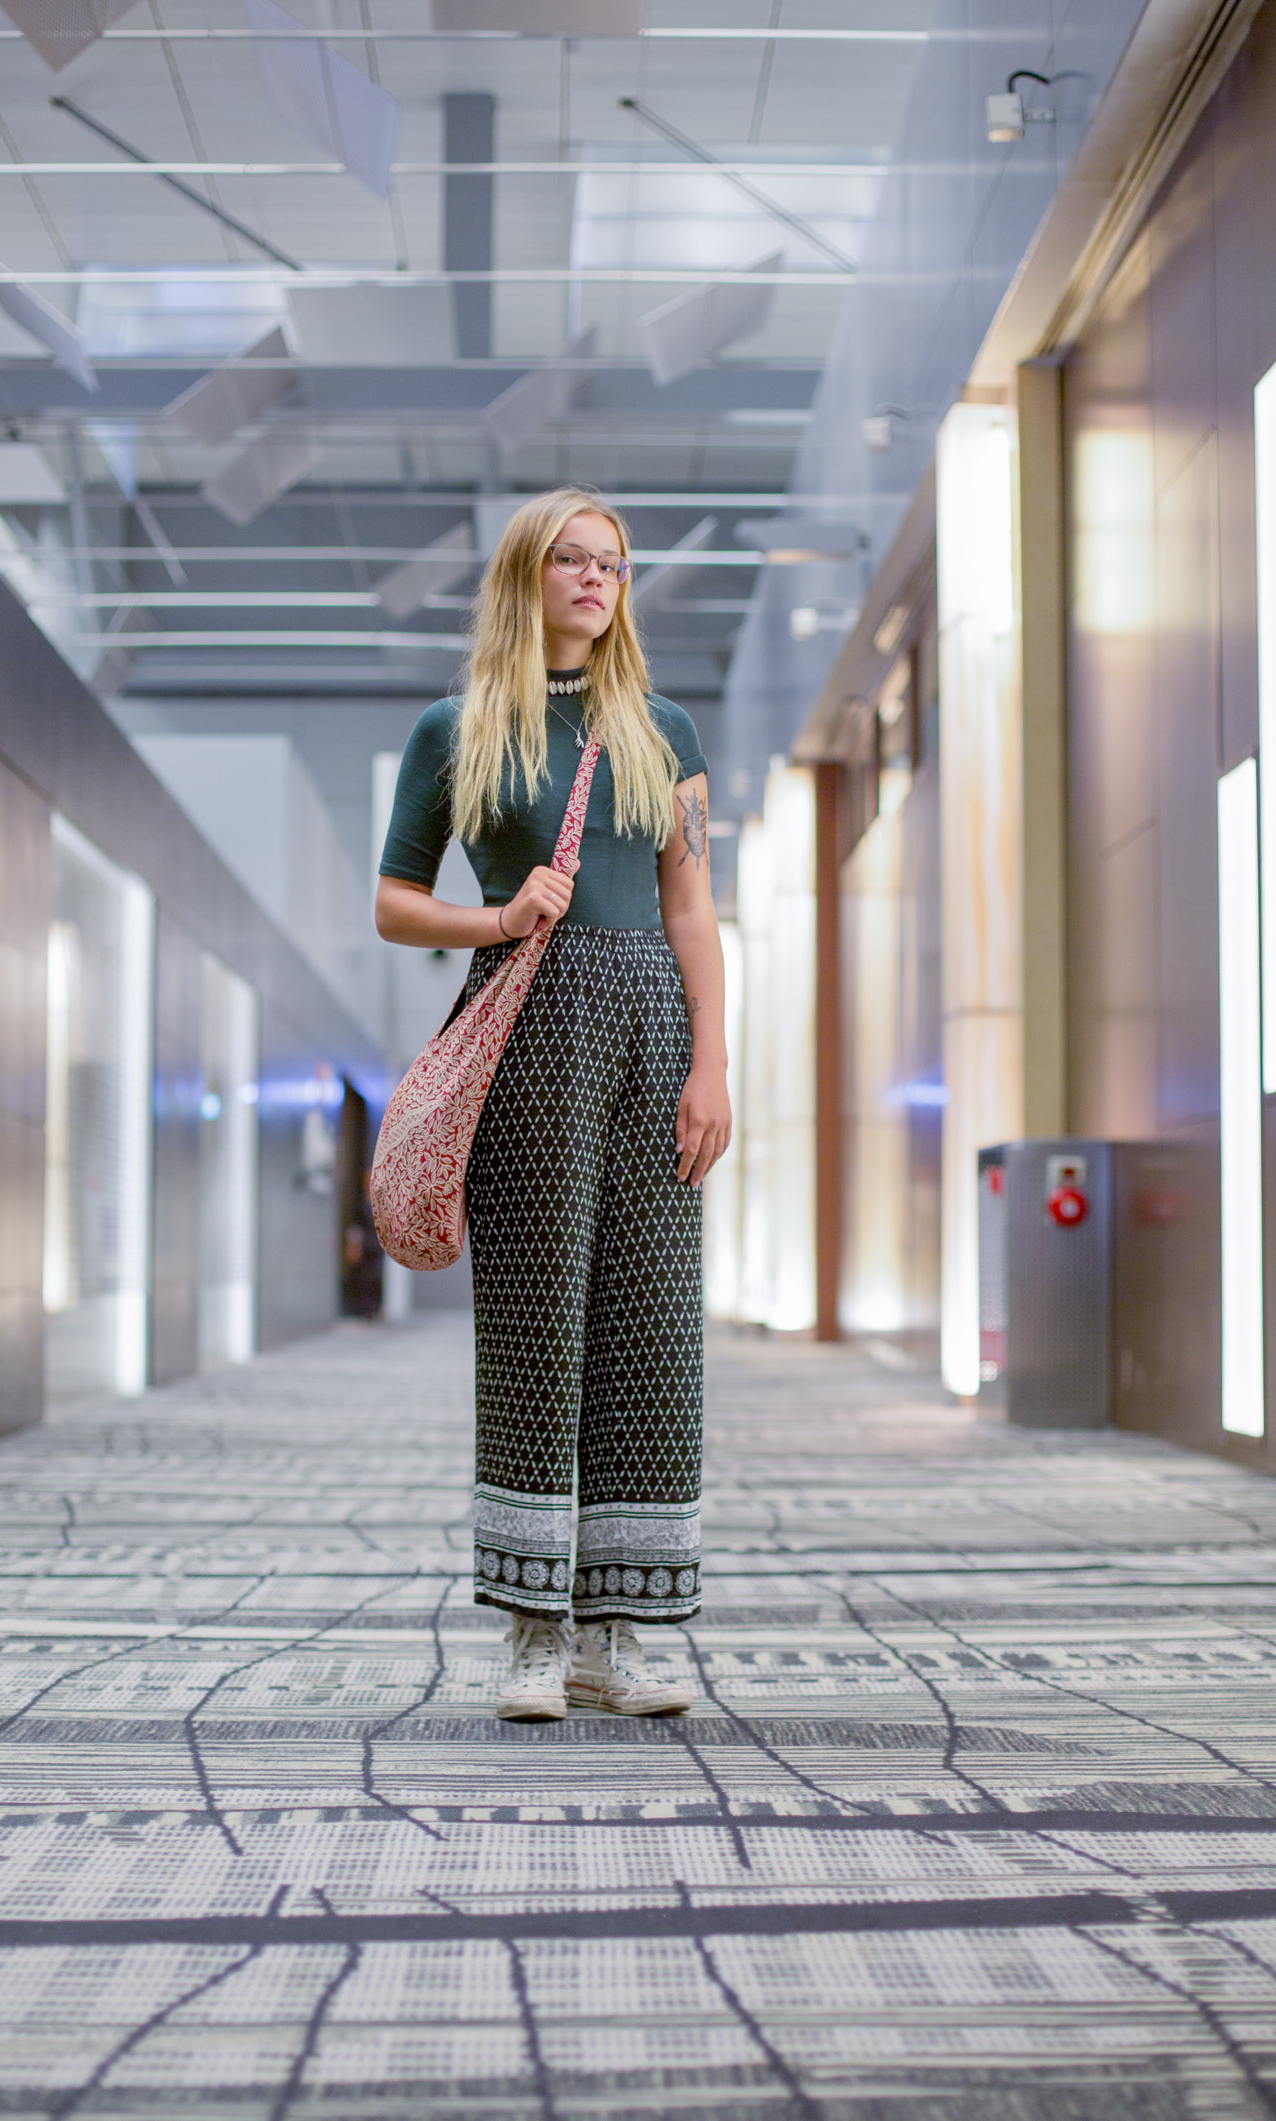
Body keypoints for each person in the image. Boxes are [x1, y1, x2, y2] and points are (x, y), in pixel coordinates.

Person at [375, 488, 731, 1721]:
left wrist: (711, 1063)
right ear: (525, 574)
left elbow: (691, 907)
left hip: (652, 1033)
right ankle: (532, 1632)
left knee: (652, 1329)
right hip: (527, 1031)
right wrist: (499, 916)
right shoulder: (458, 728)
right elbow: (393, 902)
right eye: (571, 560)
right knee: (536, 1325)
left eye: (612, 565)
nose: (594, 579)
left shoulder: (664, 729)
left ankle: (612, 1637)